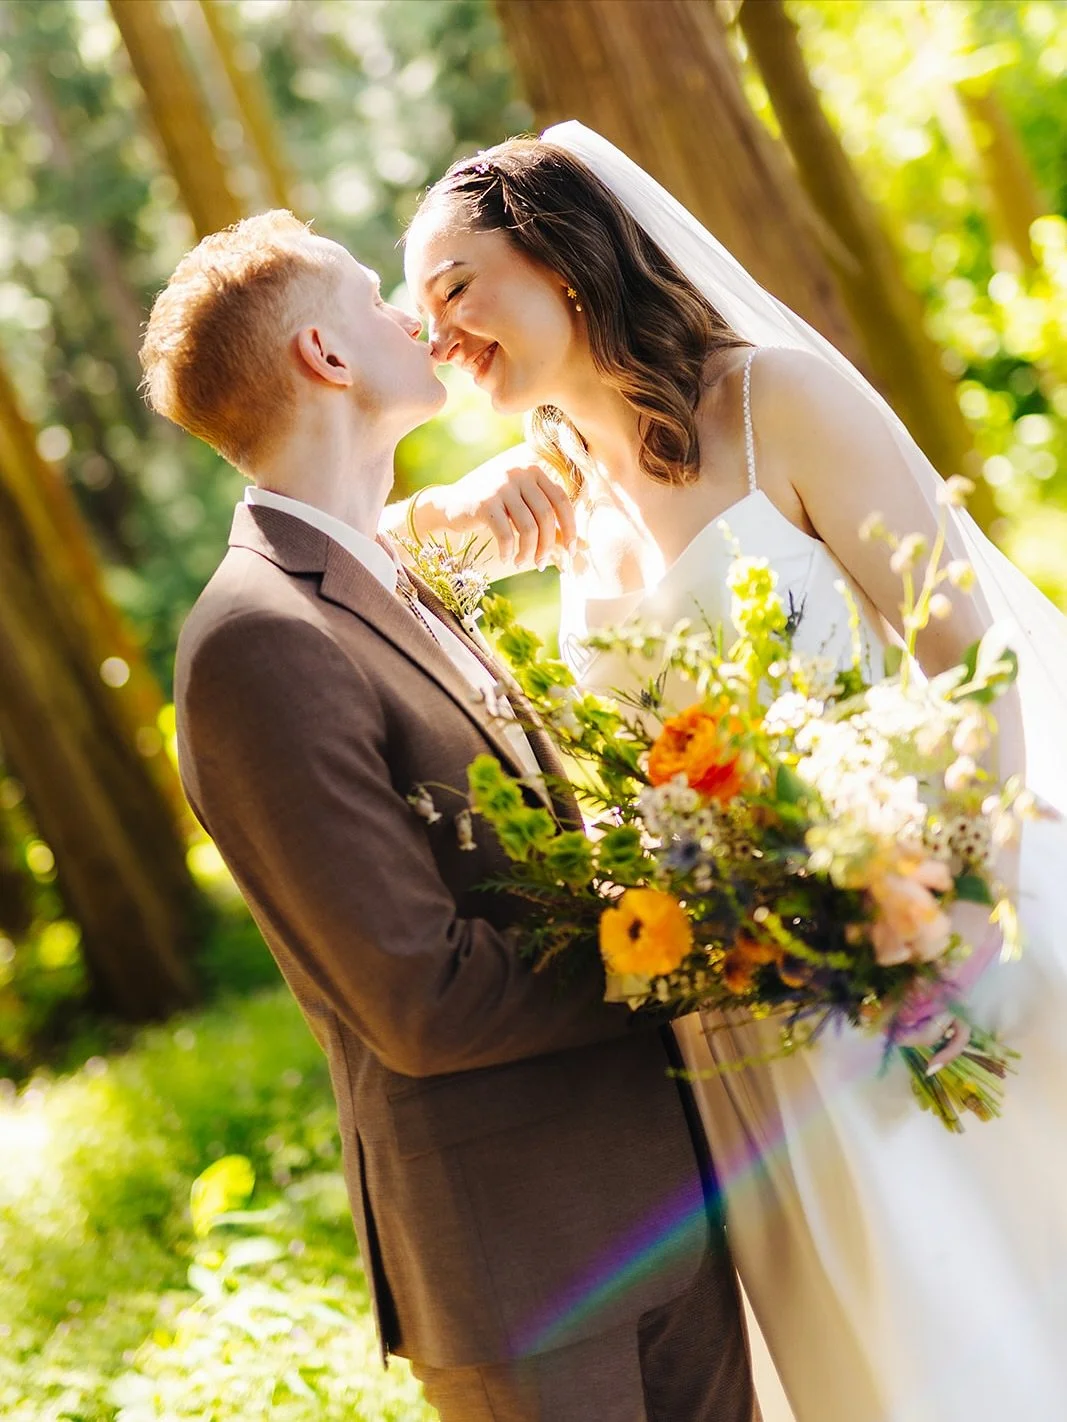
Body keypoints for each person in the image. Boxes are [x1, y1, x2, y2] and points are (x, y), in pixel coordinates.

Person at [398, 124, 1067, 1422]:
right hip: (736, 1031)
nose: (436, 334)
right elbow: (359, 572)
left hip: (917, 944)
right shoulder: (557, 498)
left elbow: (965, 660)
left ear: (558, 257)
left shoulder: (777, 403)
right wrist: (442, 516)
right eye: (416, 313)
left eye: (454, 287)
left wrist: (940, 904)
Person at [142, 209, 759, 1422]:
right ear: (325, 356)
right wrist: (698, 946)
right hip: (520, 1268)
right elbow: (418, 996)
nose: (415, 318)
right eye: (377, 300)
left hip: (659, 1204)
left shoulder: (388, 573)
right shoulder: (252, 640)